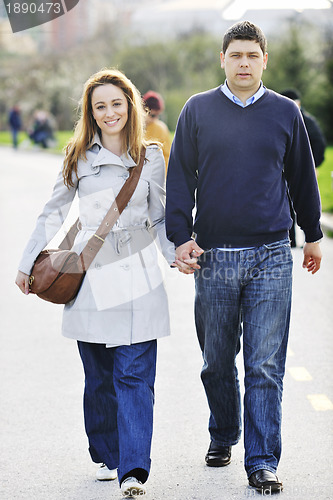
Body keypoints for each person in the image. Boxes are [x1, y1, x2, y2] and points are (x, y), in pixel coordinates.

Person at [166, 21, 322, 494]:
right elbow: (179, 179)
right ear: (223, 60)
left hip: (271, 254)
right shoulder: (197, 110)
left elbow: (301, 178)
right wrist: (179, 239)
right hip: (214, 256)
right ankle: (223, 432)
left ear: (264, 61)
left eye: (253, 55)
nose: (244, 63)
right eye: (236, 55)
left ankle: (262, 460)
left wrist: (312, 235)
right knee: (216, 360)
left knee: (264, 364)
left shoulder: (283, 113)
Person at [15, 69, 174, 498]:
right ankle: (107, 454)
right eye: (99, 106)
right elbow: (52, 212)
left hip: (140, 277)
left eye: (116, 104)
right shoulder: (78, 156)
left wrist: (176, 254)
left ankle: (134, 470)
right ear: (90, 112)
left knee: (136, 376)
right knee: (100, 377)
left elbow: (160, 218)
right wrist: (27, 262)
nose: (109, 113)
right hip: (91, 277)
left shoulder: (152, 156)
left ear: (131, 106)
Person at [280, 89, 326, 247]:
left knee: (305, 199)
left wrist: (312, 165)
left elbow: (319, 144)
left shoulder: (307, 121)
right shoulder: (278, 118)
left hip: (303, 169)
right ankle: (290, 239)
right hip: (281, 170)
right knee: (286, 205)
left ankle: (309, 237)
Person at [143, 90, 172, 172]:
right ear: (143, 110)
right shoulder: (131, 126)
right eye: (152, 115)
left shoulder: (161, 128)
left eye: (158, 115)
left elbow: (167, 156)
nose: (155, 119)